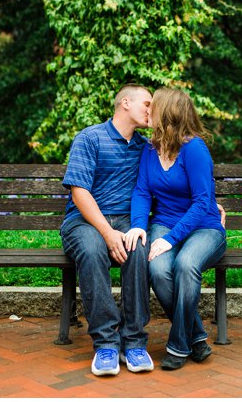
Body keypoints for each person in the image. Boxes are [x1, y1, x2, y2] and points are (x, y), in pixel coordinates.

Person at [124, 87, 227, 370]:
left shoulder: (194, 149)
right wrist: (137, 226)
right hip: (165, 222)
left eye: (153, 107)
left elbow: (203, 201)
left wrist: (171, 238)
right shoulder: (150, 149)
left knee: (185, 265)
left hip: (204, 227)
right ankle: (196, 338)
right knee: (157, 269)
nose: (148, 111)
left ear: (167, 113)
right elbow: (142, 192)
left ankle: (179, 345)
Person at [59, 83, 155, 377]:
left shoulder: (146, 147)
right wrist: (107, 232)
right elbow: (79, 193)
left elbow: (170, 180)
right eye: (147, 104)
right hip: (84, 221)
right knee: (91, 249)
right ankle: (106, 344)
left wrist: (208, 206)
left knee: (139, 247)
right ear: (126, 103)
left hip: (127, 220)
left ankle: (134, 341)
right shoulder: (90, 138)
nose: (152, 110)